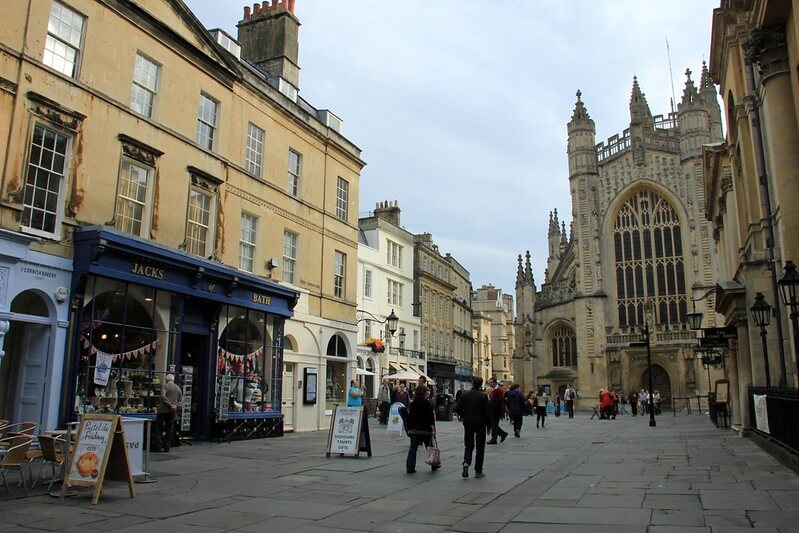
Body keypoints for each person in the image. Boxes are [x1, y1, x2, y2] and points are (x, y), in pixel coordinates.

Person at [454, 376, 491, 479]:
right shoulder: (483, 396)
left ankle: (466, 462)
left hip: (468, 423)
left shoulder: (465, 395)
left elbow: (456, 408)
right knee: (480, 447)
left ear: (472, 383)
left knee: (469, 445)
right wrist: (489, 426)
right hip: (481, 423)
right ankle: (478, 470)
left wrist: (463, 416)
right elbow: (487, 413)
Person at [399, 385, 437, 474]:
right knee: (430, 447)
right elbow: (430, 418)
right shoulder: (427, 403)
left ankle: (410, 467)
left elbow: (410, 416)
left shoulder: (412, 403)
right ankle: (434, 464)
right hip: (425, 430)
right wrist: (433, 429)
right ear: (424, 393)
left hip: (414, 429)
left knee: (413, 448)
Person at [156, 373, 183, 452]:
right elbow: (181, 399)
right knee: (169, 429)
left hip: (162, 410)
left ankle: (158, 446)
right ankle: (167, 447)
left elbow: (163, 396)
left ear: (166, 379)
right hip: (172, 412)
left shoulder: (165, 386)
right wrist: (176, 406)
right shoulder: (178, 388)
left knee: (159, 429)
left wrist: (170, 404)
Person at [486, 378, 508, 444]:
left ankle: (494, 438)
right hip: (492, 410)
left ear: (494, 383)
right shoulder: (494, 390)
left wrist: (491, 401)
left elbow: (500, 400)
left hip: (496, 410)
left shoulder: (498, 390)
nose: (489, 383)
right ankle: (502, 433)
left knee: (494, 424)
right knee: (493, 424)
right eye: (489, 382)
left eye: (491, 382)